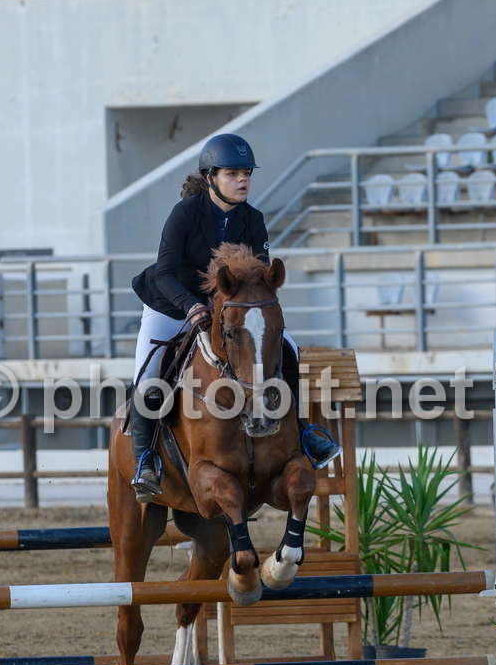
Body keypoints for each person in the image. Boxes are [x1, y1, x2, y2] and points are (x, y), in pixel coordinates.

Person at [129, 132, 341, 502]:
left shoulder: (253, 220)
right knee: (148, 376)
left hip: (228, 314)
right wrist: (192, 306)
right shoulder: (185, 214)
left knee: (288, 351)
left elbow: (259, 276)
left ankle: (306, 431)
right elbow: (164, 272)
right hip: (171, 304)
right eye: (232, 174)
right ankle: (145, 460)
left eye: (246, 174)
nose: (242, 180)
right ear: (210, 177)